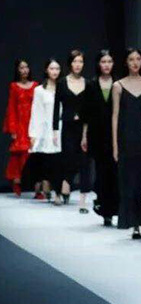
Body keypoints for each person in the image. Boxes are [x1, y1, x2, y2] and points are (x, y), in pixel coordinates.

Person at [112, 48, 141, 239]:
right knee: (128, 181)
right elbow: (115, 116)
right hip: (126, 139)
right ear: (126, 62)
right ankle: (133, 223)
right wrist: (115, 145)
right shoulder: (118, 86)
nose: (135, 62)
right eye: (131, 59)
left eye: (138, 59)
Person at [52, 49, 91, 210]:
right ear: (70, 63)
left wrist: (87, 131)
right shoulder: (62, 83)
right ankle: (60, 188)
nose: (78, 64)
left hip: (83, 127)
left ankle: (82, 200)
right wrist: (54, 130)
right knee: (67, 159)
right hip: (67, 127)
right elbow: (56, 107)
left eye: (80, 61)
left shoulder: (88, 83)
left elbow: (89, 109)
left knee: (84, 161)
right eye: (75, 61)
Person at [83, 49, 118, 226]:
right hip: (97, 135)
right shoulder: (91, 84)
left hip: (114, 135)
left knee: (114, 171)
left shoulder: (118, 84)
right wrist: (84, 136)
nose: (106, 65)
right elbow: (87, 113)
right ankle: (105, 209)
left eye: (109, 61)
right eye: (103, 62)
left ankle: (113, 207)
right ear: (98, 64)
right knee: (101, 172)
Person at [28, 59, 61, 204]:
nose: (54, 72)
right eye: (52, 68)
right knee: (47, 158)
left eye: (57, 69)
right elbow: (36, 112)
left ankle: (59, 190)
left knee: (60, 159)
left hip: (61, 127)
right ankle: (47, 183)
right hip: (46, 128)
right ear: (46, 70)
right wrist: (33, 134)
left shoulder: (63, 87)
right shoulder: (39, 90)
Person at [3, 59, 37, 196]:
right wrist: (13, 129)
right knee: (19, 154)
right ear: (17, 70)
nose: (24, 70)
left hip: (33, 123)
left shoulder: (35, 86)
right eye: (21, 67)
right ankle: (17, 182)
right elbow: (11, 108)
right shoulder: (14, 86)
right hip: (20, 124)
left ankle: (37, 186)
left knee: (34, 154)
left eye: (26, 67)